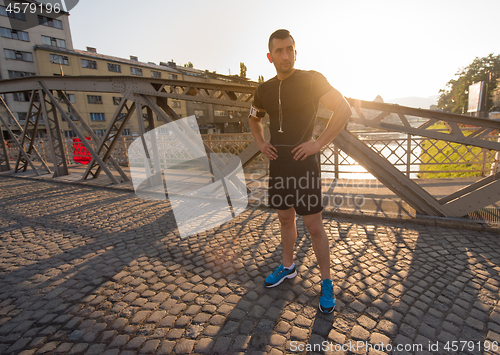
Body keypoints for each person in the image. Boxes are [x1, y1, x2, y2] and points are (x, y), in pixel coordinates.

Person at [248, 29, 352, 314]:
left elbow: (343, 109)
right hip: (278, 165)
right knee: (284, 218)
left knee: (314, 227)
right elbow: (253, 118)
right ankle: (287, 267)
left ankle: (327, 282)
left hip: (305, 165)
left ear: (296, 51)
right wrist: (260, 142)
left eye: (290, 49)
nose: (286, 55)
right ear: (270, 57)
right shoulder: (263, 89)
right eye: (279, 51)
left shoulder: (311, 79)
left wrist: (318, 143)